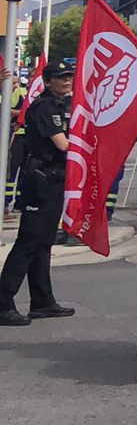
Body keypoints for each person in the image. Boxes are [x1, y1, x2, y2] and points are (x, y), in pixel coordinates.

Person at [0, 61, 77, 326]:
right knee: (28, 241)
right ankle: (3, 302)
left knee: (44, 242)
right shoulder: (45, 107)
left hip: (55, 179)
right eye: (60, 77)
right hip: (40, 180)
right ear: (47, 81)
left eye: (69, 76)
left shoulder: (64, 105)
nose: (66, 81)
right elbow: (62, 144)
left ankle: (42, 301)